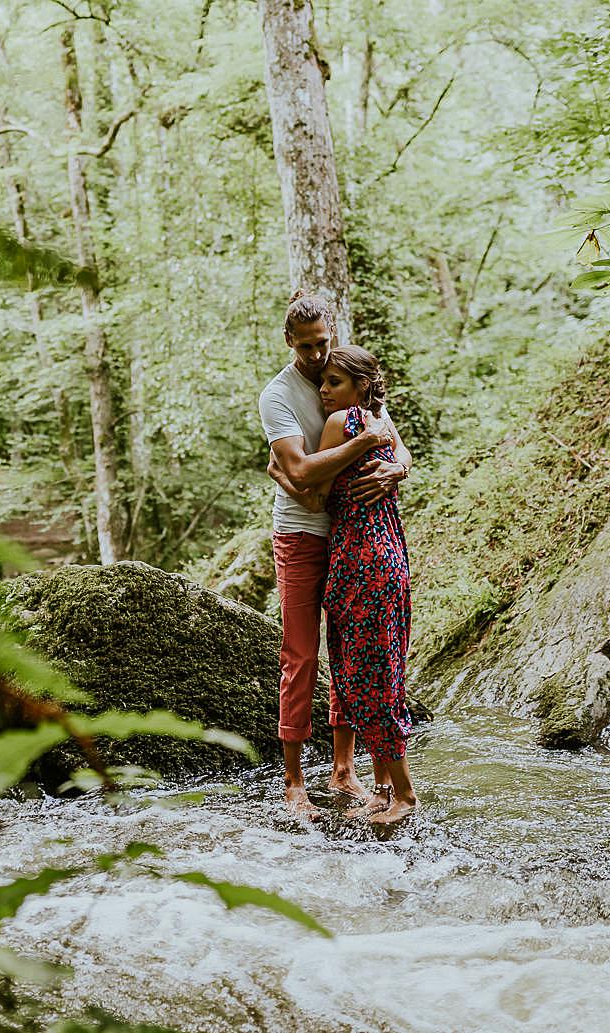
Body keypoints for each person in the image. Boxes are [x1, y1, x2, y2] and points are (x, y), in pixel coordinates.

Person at [257, 291, 411, 819]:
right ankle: (294, 782)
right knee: (301, 656)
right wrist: (360, 449)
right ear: (288, 341)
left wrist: (400, 466)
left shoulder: (350, 372)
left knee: (348, 651)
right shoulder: (276, 395)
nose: (317, 356)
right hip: (302, 535)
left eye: (323, 342)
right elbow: (301, 471)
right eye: (306, 347)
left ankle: (343, 770)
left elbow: (390, 435)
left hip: (350, 535)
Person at [314, 344, 418, 823]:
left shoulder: (345, 423)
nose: (323, 390)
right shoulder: (378, 418)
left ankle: (403, 796)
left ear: (359, 385)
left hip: (360, 561)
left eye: (333, 382)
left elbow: (316, 494)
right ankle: (380, 788)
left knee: (369, 678)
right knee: (382, 672)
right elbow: (404, 455)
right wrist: (397, 466)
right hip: (389, 554)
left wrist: (280, 470)